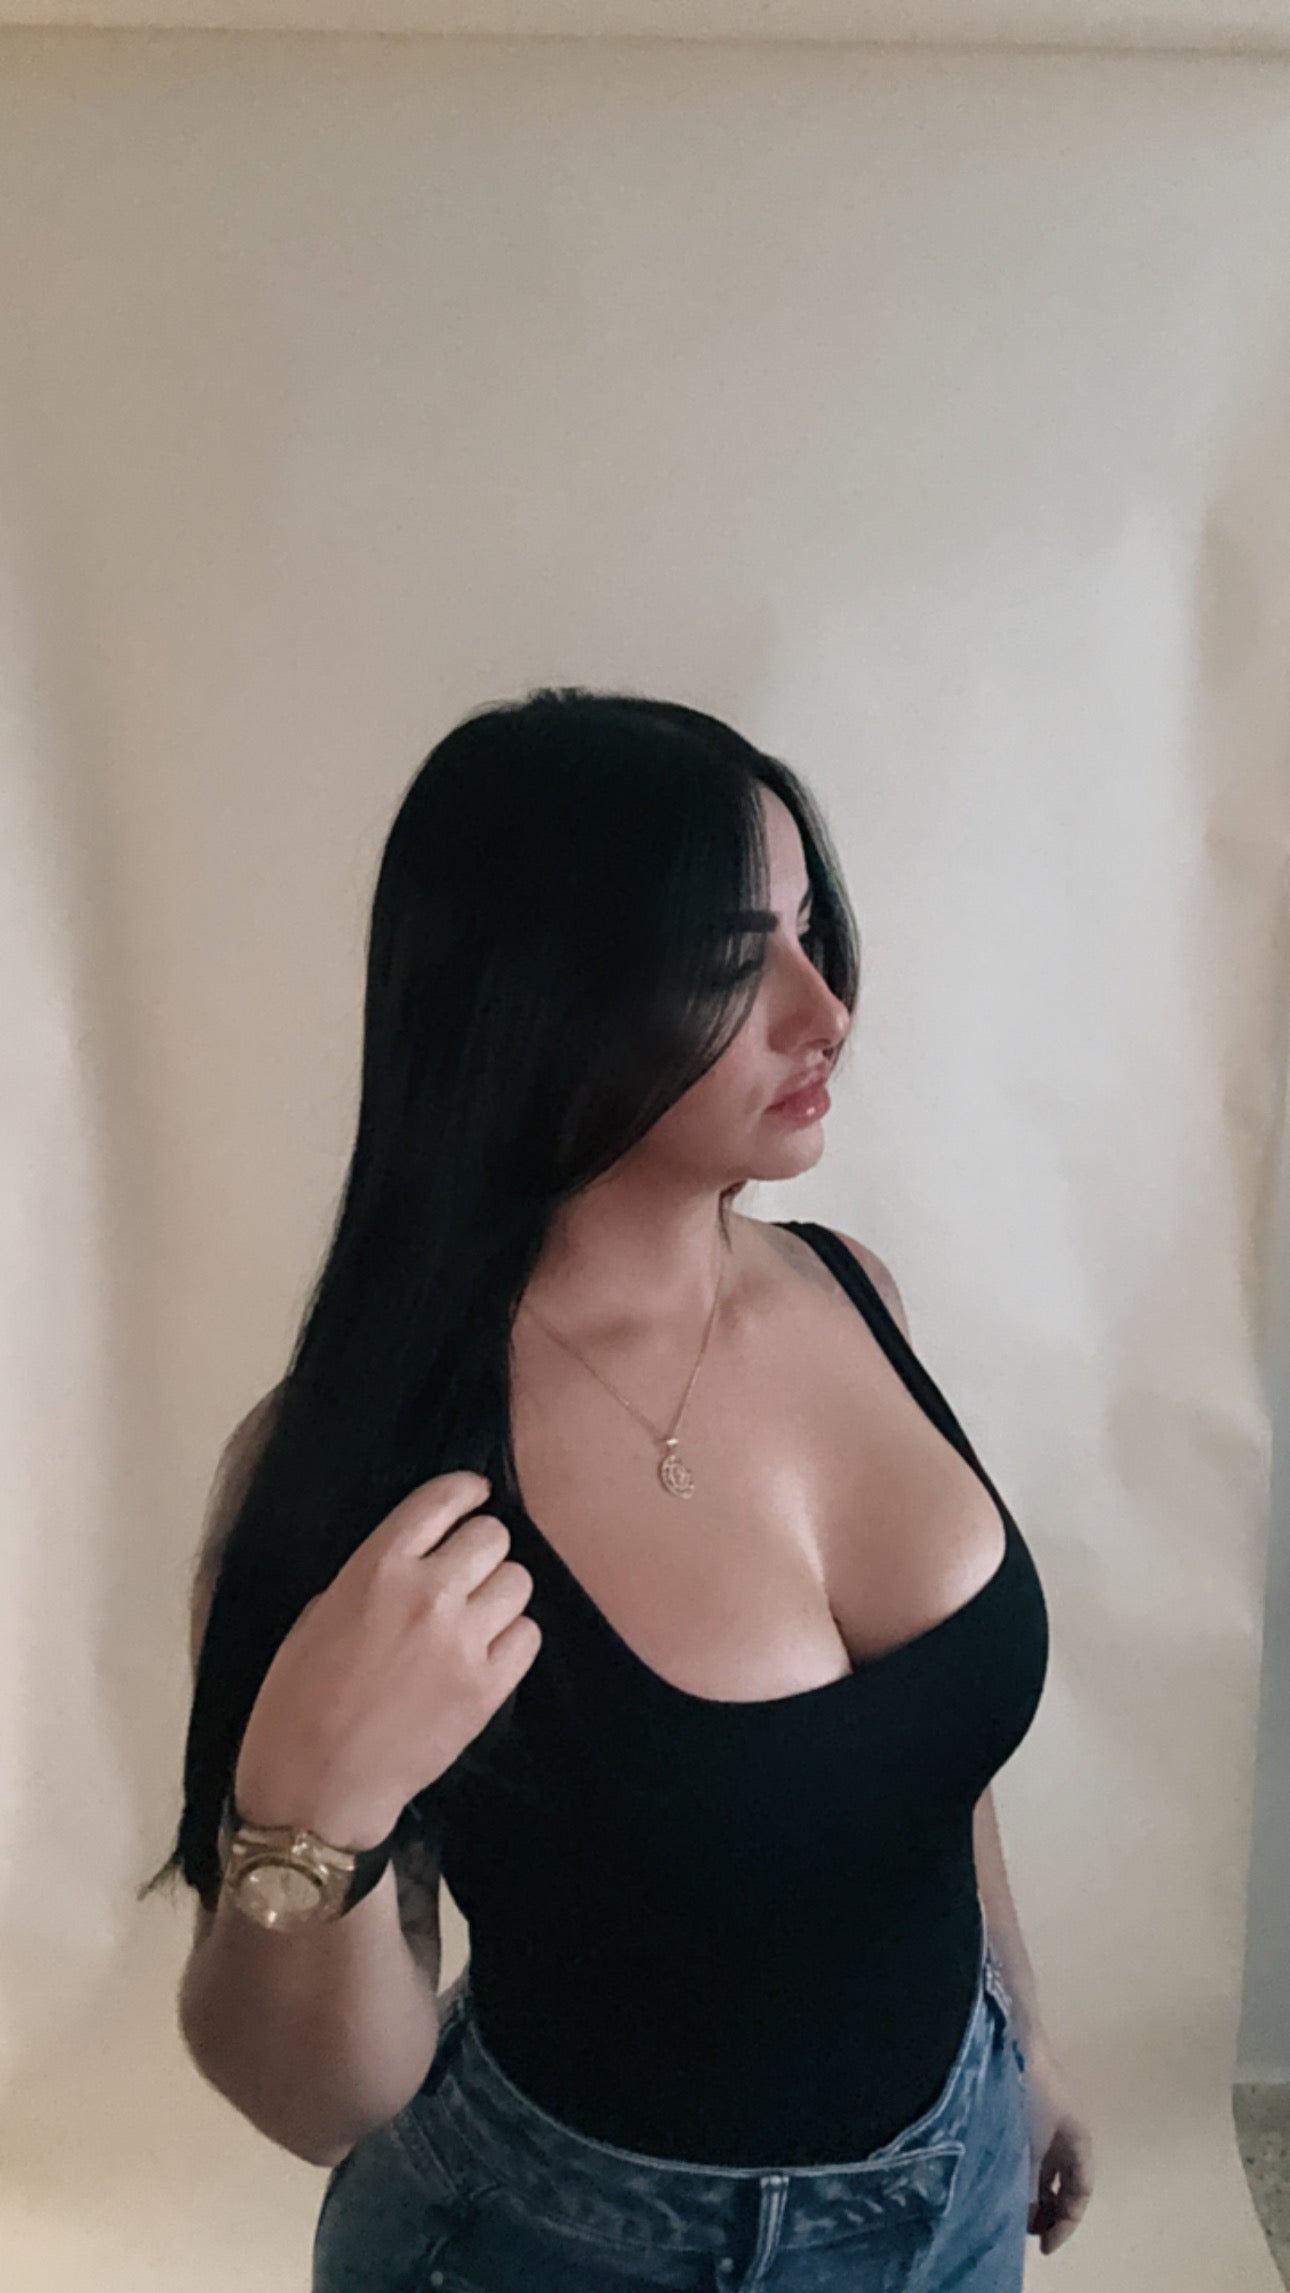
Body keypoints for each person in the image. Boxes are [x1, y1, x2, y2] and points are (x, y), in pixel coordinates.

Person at [141, 688, 1093, 2289]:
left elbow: (926, 1774)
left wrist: (1023, 2039)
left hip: (959, 2172)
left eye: (809, 929)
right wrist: (305, 1814)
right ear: (537, 997)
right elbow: (318, 2102)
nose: (824, 1008)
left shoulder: (853, 1292)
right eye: (730, 956)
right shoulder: (379, 1462)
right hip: (575, 2245)